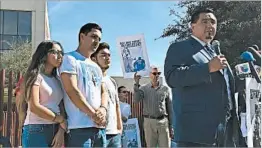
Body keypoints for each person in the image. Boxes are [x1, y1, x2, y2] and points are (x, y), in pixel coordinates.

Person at [164, 8, 243, 147]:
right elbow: (172, 77)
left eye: (213, 22)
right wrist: (207, 68)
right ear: (192, 27)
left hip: (222, 132)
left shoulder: (214, 52)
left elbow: (226, 88)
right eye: (204, 21)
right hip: (195, 134)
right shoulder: (180, 47)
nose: (209, 26)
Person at [59, 23, 108, 147]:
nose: (96, 41)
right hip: (79, 128)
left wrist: (103, 109)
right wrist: (93, 114)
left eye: (99, 39)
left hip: (99, 128)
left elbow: (103, 91)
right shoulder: (69, 59)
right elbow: (71, 90)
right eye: (93, 36)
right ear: (82, 36)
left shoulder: (96, 66)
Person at [16, 40, 67, 147]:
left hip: (56, 129)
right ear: (43, 54)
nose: (60, 56)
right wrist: (59, 119)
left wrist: (61, 130)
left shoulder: (57, 80)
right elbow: (34, 107)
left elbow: (61, 106)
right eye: (55, 52)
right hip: (36, 130)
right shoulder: (34, 76)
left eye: (61, 52)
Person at [91, 42, 123, 147]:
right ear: (94, 58)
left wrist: (119, 127)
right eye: (103, 55)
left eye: (109, 55)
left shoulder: (112, 81)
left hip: (115, 134)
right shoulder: (91, 78)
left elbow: (116, 105)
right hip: (99, 132)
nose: (107, 58)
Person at [133, 66, 174, 147]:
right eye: (154, 73)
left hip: (163, 122)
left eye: (158, 73)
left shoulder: (165, 89)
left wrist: (171, 126)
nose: (156, 75)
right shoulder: (143, 88)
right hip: (149, 122)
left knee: (166, 146)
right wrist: (136, 83)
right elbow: (136, 100)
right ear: (150, 75)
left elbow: (169, 108)